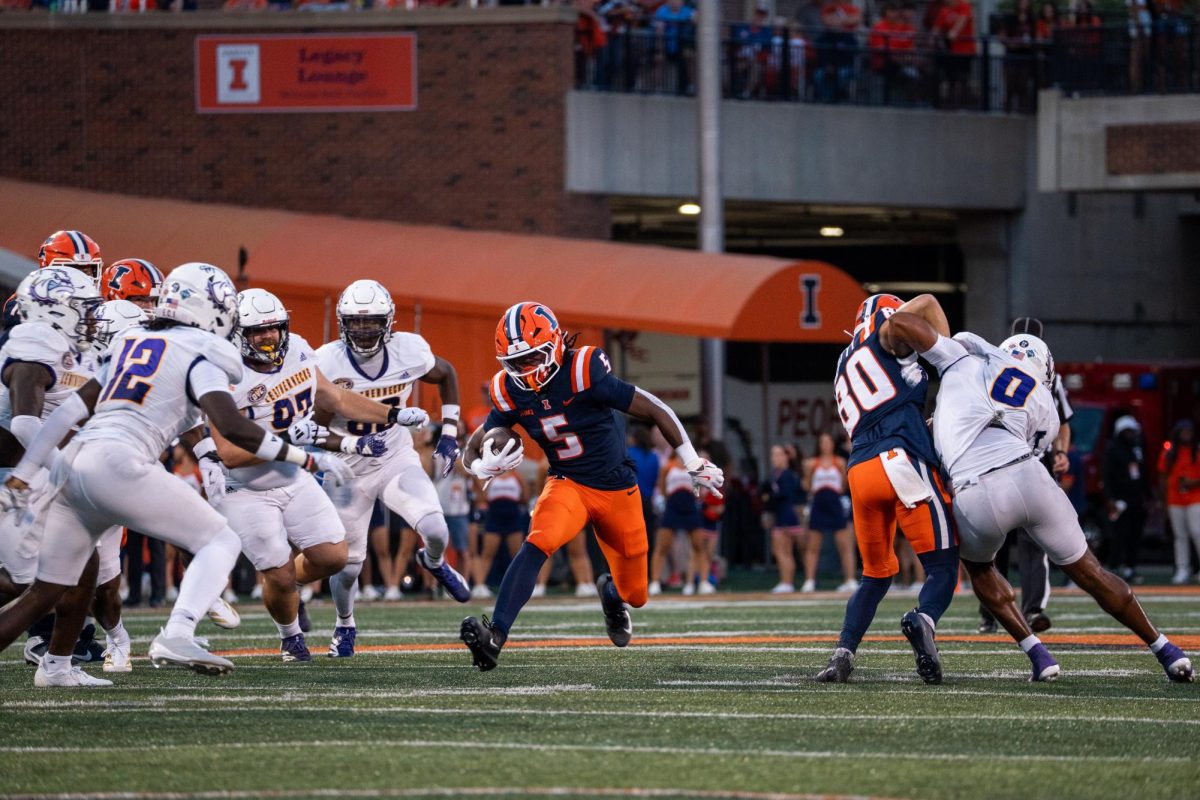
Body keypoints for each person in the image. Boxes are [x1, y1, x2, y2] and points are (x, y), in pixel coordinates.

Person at [0, 262, 355, 677]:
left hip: (78, 463)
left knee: (46, 590)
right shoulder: (199, 350)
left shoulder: (130, 341)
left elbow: (70, 412)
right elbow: (234, 428)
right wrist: (308, 458)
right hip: (119, 462)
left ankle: (56, 668)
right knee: (220, 540)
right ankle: (179, 632)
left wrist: (29, 471)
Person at [885, 313, 1194, 683]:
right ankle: (1167, 651)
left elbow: (903, 324)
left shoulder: (965, 357)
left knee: (980, 568)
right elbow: (1030, 439)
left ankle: (1038, 654)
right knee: (1092, 573)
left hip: (976, 487)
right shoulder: (1044, 401)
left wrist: (895, 338)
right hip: (1029, 475)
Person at [458, 301, 723, 671]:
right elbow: (472, 449)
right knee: (539, 541)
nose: (526, 369)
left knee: (637, 594)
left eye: (533, 357)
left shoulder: (584, 369)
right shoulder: (508, 389)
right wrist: (481, 465)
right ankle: (495, 636)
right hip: (568, 482)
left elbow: (654, 407)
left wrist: (692, 461)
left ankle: (611, 594)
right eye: (517, 362)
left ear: (554, 344)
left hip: (618, 489)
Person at [198, 288, 409, 662]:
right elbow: (230, 454)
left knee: (333, 557)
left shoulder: (297, 349)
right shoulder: (223, 371)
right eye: (256, 331)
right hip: (242, 485)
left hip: (290, 472)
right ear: (238, 333)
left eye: (273, 328)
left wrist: (392, 414)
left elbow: (335, 398)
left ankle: (282, 585)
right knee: (278, 574)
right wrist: (286, 439)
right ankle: (290, 636)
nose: (267, 336)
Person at [316, 279, 469, 658]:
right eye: (355, 321)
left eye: (371, 321)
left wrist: (450, 433)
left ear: (389, 322)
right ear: (342, 323)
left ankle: (432, 562)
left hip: (395, 456)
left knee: (436, 529)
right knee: (347, 566)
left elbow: (447, 373)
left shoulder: (408, 350)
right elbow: (313, 431)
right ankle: (344, 624)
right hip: (347, 469)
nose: (363, 330)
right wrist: (352, 444)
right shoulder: (326, 362)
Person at [817, 294, 959, 685]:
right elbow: (926, 301)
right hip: (900, 462)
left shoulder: (845, 361)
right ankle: (923, 620)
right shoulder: (887, 333)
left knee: (876, 575)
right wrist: (950, 359)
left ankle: (843, 654)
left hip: (861, 472)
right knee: (943, 567)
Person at [803, 431, 858, 593]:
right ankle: (809, 581)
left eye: (828, 442)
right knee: (813, 545)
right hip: (819, 503)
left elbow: (844, 485)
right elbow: (807, 485)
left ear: (832, 444)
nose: (826, 445)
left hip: (834, 502)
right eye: (823, 442)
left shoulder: (839, 462)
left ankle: (850, 579)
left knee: (844, 544)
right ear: (819, 445)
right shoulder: (811, 464)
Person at [650, 452, 704, 595]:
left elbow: (700, 486)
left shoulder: (694, 464)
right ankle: (655, 582)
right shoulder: (668, 466)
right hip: (673, 506)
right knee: (662, 545)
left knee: (698, 545)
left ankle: (694, 583)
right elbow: (662, 487)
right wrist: (664, 499)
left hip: (690, 506)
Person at [1105, 415, 1151, 582]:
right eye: (1127, 431)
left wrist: (1147, 496)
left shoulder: (1136, 449)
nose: (1130, 434)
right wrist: (1111, 498)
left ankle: (1131, 568)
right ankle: (1114, 567)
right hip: (1120, 500)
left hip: (1136, 500)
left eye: (1132, 431)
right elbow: (1107, 475)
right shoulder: (1112, 449)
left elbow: (1143, 474)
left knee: (1134, 535)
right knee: (1119, 535)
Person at [472, 469, 527, 594]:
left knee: (517, 555)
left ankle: (521, 585)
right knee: (488, 552)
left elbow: (525, 496)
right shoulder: (491, 476)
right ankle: (480, 585)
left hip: (512, 516)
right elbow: (483, 496)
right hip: (494, 515)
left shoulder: (517, 476)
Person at [1159, 420, 1199, 584]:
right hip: (1175, 499)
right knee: (1179, 536)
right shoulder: (1169, 452)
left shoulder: (1197, 450)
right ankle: (1183, 569)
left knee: (1197, 533)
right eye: (1183, 432)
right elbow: (1162, 477)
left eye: (1189, 431)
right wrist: (1164, 501)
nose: (1186, 435)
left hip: (1195, 498)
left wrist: (1192, 483)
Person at [765, 444, 807, 593]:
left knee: (783, 550)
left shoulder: (788, 475)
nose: (774, 458)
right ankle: (786, 581)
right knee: (781, 551)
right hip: (781, 514)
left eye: (778, 454)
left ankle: (787, 582)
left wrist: (769, 497)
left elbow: (785, 495)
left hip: (786, 516)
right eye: (773, 454)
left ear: (785, 457)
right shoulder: (775, 474)